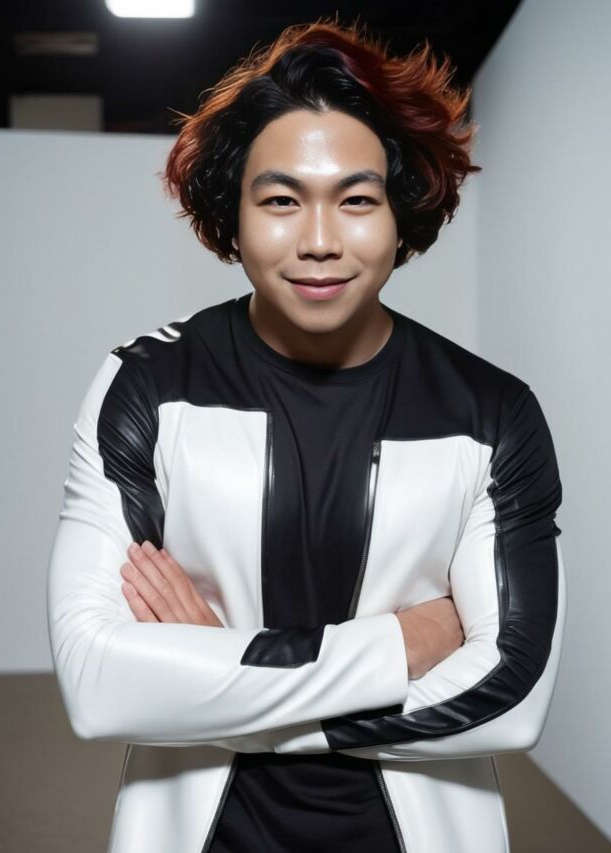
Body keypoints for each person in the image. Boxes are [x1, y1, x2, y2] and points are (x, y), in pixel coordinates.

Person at [46, 16, 566, 853]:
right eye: (281, 200)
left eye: (356, 200)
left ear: (400, 211)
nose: (319, 241)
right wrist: (402, 643)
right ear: (234, 211)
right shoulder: (145, 385)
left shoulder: (491, 412)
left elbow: (513, 697)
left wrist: (220, 672)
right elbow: (98, 682)